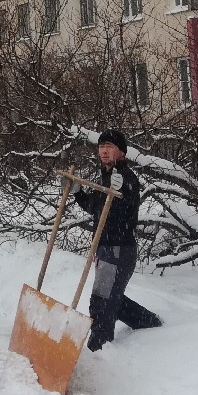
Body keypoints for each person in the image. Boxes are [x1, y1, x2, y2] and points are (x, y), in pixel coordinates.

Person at [73, 128, 163, 352]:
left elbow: (127, 207)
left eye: (110, 147)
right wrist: (77, 193)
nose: (104, 150)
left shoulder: (127, 178)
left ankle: (99, 351)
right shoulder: (106, 177)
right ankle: (149, 322)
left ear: (122, 152)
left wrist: (121, 187)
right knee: (112, 298)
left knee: (101, 302)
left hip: (119, 250)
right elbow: (97, 208)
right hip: (105, 249)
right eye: (101, 146)